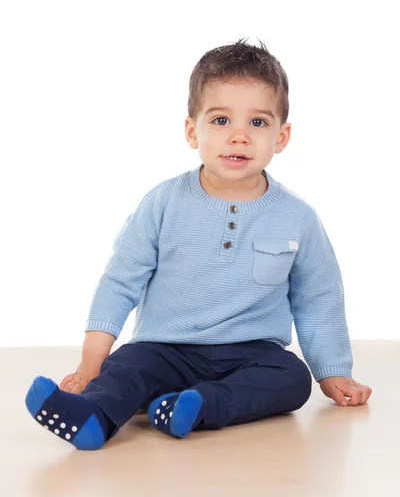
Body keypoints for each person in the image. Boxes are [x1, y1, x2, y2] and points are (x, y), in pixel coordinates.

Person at [25, 37, 372, 450]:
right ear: (193, 130)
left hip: (249, 353)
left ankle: (197, 406)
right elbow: (121, 281)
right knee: (127, 368)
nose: (239, 137)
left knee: (292, 379)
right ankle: (94, 418)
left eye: (258, 123)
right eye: (222, 120)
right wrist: (90, 363)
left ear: (282, 136)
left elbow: (318, 296)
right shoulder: (163, 202)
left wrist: (333, 372)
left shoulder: (297, 217)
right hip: (164, 348)